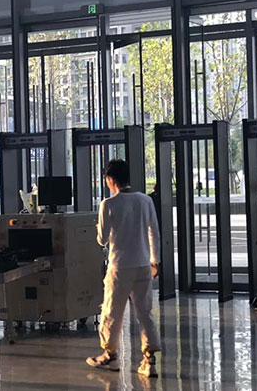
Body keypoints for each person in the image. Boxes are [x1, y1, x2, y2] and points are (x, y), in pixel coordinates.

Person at [86, 159, 161, 378]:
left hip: (120, 267)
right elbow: (154, 232)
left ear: (110, 179)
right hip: (143, 265)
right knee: (145, 313)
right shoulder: (145, 200)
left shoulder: (108, 204)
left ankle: (110, 355)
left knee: (112, 311)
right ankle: (149, 361)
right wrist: (155, 261)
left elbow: (102, 240)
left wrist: (98, 228)